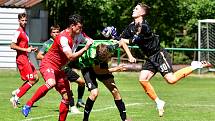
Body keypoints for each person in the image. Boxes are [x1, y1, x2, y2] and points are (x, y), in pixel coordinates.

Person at [115, 3, 212, 117]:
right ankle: (159, 102)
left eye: (136, 9)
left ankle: (196, 65)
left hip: (159, 55)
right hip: (150, 58)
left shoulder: (144, 26)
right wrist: (113, 37)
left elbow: (129, 41)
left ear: (142, 13)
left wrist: (127, 51)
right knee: (142, 79)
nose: (133, 10)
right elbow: (120, 40)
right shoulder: (131, 26)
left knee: (171, 80)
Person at [21, 14, 93, 121]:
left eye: (82, 27)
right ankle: (28, 104)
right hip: (48, 64)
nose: (81, 29)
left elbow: (91, 41)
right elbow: (70, 56)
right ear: (72, 26)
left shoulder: (79, 34)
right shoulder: (63, 38)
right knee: (51, 82)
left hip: (60, 68)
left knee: (67, 98)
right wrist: (85, 48)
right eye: (79, 27)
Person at [78, 39, 135, 121]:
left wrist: (130, 56)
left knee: (115, 90)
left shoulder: (109, 47)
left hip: (99, 64)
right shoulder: (93, 56)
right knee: (94, 93)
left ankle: (124, 119)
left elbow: (122, 42)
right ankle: (85, 120)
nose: (108, 59)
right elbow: (98, 71)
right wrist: (115, 69)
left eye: (107, 57)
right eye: (106, 59)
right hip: (87, 66)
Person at [36, 25, 89, 113]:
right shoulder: (47, 44)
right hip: (56, 67)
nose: (56, 34)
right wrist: (51, 60)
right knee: (68, 86)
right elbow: (38, 55)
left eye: (57, 32)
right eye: (54, 32)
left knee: (82, 82)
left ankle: (79, 101)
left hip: (66, 67)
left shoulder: (63, 39)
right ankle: (72, 107)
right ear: (50, 33)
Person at [10, 12, 39, 108]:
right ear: (19, 21)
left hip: (25, 57)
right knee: (31, 80)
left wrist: (31, 48)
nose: (24, 22)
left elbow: (24, 46)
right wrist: (26, 49)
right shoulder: (18, 31)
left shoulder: (25, 32)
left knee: (36, 77)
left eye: (26, 20)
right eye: (22, 20)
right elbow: (12, 45)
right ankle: (15, 98)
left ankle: (17, 92)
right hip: (21, 59)